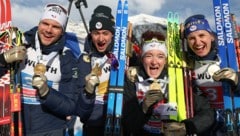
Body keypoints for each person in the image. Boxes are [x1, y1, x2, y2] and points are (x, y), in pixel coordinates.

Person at [0, 3, 93, 136]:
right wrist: (2, 60)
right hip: (14, 124)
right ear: (39, 24)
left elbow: (71, 106)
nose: (49, 30)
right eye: (45, 23)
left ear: (62, 30)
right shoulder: (20, 44)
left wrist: (46, 92)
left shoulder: (67, 59)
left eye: (55, 26)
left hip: (49, 130)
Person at [122, 30, 215, 136]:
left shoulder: (177, 79)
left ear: (165, 60)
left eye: (160, 56)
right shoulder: (133, 79)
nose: (154, 61)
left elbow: (208, 112)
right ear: (142, 58)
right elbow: (127, 124)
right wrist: (143, 108)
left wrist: (188, 127)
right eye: (149, 56)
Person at [183, 14, 240, 135]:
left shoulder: (230, 56)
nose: (197, 42)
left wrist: (237, 79)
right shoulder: (190, 66)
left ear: (212, 37)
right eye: (191, 38)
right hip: (211, 123)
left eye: (202, 35)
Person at [75, 5, 116, 136]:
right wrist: (87, 92)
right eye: (96, 33)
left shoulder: (121, 56)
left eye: (105, 33)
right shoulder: (84, 59)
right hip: (93, 124)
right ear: (90, 34)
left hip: (118, 120)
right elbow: (80, 109)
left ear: (112, 34)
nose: (100, 39)